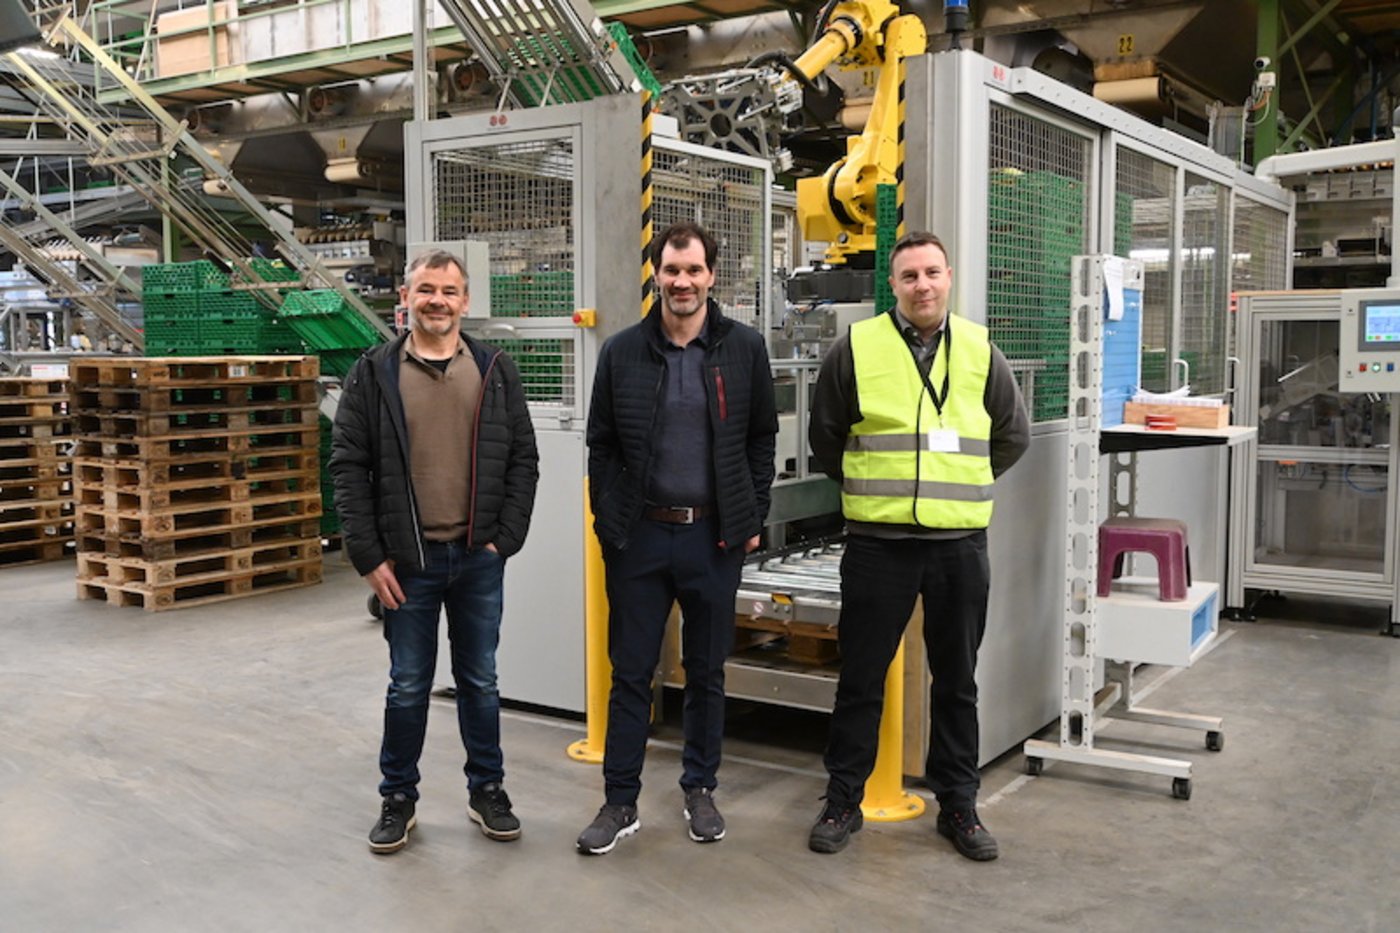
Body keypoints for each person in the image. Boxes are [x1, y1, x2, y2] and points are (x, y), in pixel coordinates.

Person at [806, 231, 1030, 861]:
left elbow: (1012, 435)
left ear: (949, 278)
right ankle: (843, 798)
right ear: (894, 285)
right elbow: (827, 437)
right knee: (860, 677)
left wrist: (963, 486)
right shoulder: (857, 347)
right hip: (879, 544)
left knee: (957, 680)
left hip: (958, 545)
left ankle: (958, 805)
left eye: (932, 273)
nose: (922, 285)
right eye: (909, 276)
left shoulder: (982, 351)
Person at [576, 221, 778, 855]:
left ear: (711, 276)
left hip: (713, 540)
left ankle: (699, 789)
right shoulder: (622, 352)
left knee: (706, 672)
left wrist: (748, 517)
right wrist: (611, 524)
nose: (682, 282)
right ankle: (619, 801)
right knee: (631, 672)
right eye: (671, 270)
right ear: (655, 275)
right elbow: (601, 445)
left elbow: (761, 440)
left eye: (693, 270)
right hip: (638, 539)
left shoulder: (744, 349)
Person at [330, 249, 540, 855]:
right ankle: (398, 798)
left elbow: (523, 458)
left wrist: (506, 538)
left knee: (480, 680)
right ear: (406, 296)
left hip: (478, 558)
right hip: (406, 564)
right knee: (408, 684)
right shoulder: (373, 374)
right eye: (426, 290)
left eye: (449, 291)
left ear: (465, 301)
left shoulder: (495, 369)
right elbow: (348, 467)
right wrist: (370, 556)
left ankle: (488, 791)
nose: (437, 301)